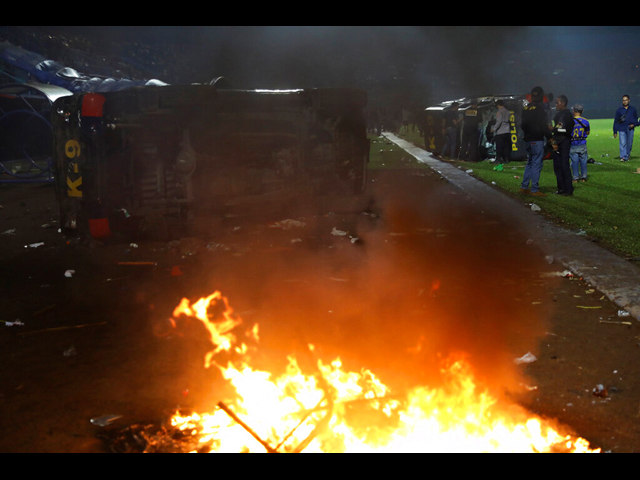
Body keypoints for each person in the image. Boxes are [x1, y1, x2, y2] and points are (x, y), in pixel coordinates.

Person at [520, 87, 552, 196]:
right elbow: (543, 125)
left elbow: (522, 125)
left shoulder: (525, 108)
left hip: (527, 140)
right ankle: (534, 189)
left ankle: (524, 187)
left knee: (529, 163)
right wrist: (550, 137)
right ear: (541, 97)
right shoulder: (539, 109)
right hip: (536, 140)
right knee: (536, 164)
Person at [550, 95, 575, 196]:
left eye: (557, 102)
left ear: (563, 103)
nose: (556, 104)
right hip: (557, 141)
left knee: (564, 165)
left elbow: (567, 130)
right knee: (557, 166)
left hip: (564, 141)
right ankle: (561, 188)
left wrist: (553, 129)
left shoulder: (567, 115)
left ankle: (568, 189)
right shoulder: (559, 114)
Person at [613, 94, 638, 162]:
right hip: (621, 128)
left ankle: (627, 155)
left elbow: (636, 119)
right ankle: (623, 157)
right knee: (622, 143)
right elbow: (616, 121)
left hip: (630, 128)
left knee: (629, 143)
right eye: (623, 100)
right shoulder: (619, 110)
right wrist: (615, 131)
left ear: (629, 100)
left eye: (626, 100)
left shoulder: (633, 109)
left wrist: (634, 125)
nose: (625, 102)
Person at [570, 103, 590, 182]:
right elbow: (588, 133)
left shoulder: (571, 121)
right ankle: (583, 177)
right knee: (583, 161)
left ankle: (575, 178)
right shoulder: (586, 121)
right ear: (582, 111)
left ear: (573, 111)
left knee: (574, 162)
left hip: (573, 144)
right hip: (582, 143)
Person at [492, 100, 511, 164]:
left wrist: (494, 129)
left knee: (499, 147)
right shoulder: (508, 111)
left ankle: (498, 159)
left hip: (500, 132)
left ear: (498, 105)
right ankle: (506, 159)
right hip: (507, 131)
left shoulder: (499, 112)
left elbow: (499, 121)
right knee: (506, 147)